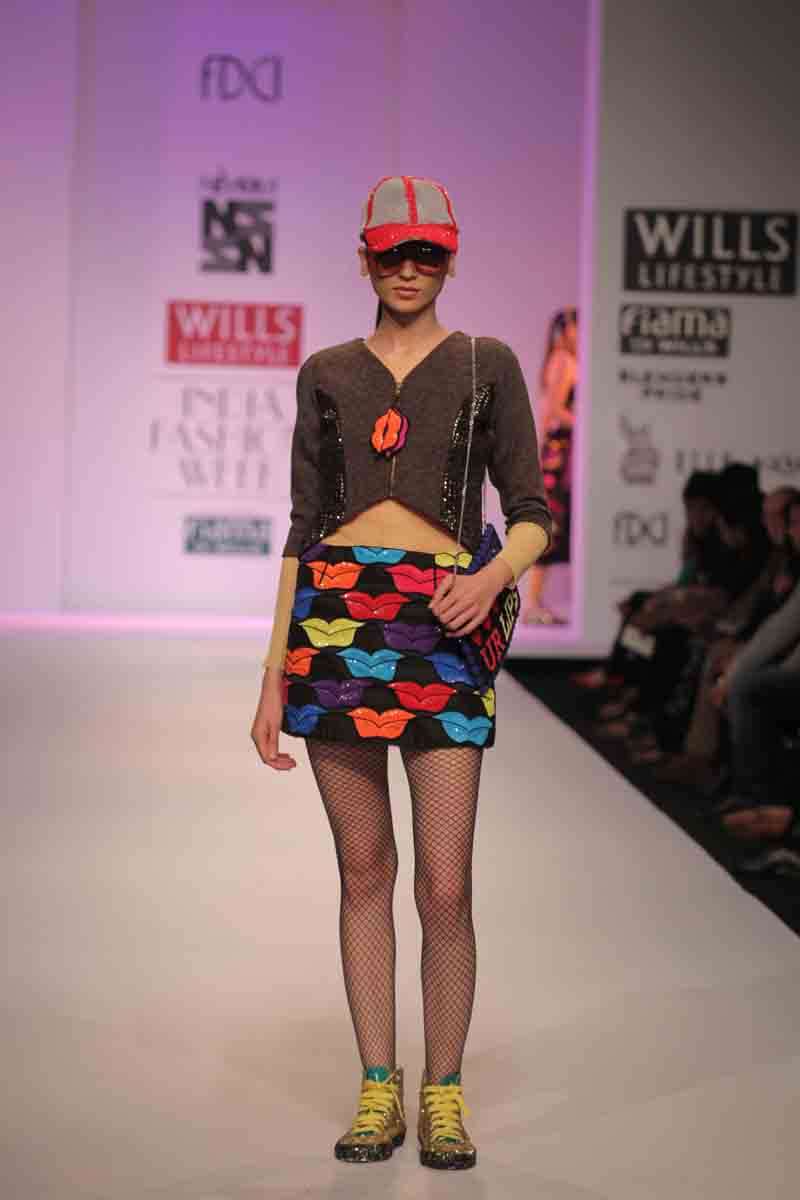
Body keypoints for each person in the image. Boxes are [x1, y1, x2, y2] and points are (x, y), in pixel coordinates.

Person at [250, 176, 552, 1170]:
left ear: (450, 259)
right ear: (364, 258)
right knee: (364, 870)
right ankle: (377, 1087)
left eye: (427, 252)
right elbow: (302, 527)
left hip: (443, 623)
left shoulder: (486, 363)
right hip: (336, 624)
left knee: (445, 883)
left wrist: (493, 576)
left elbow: (533, 508)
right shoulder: (326, 372)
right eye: (392, 252)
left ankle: (444, 1094)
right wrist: (273, 672)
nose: (409, 267)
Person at [522, 306, 577, 625]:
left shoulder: (563, 359)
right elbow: (554, 410)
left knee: (555, 527)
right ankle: (533, 604)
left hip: (562, 454)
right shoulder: (564, 360)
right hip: (559, 455)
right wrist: (585, 420)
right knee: (550, 526)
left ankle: (536, 603)